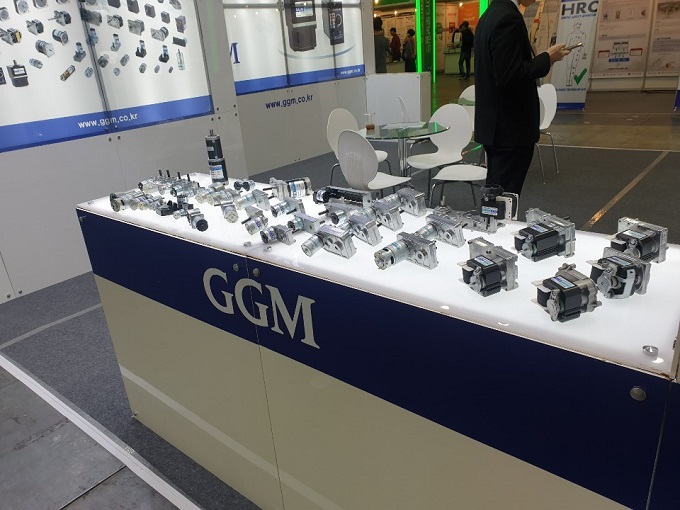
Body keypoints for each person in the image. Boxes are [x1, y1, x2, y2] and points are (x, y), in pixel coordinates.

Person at [474, 0, 569, 195]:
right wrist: (546, 59)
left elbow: (501, 70)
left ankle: (494, 215)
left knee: (498, 195)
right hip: (509, 128)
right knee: (505, 196)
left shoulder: (489, 16)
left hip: (497, 126)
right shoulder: (507, 18)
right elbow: (509, 75)